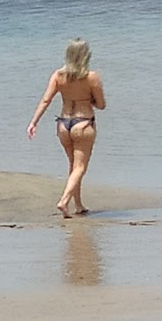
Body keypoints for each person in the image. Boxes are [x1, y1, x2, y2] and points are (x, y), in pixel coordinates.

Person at [27, 38, 106, 218]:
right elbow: (101, 105)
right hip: (83, 123)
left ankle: (78, 205)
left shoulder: (58, 75)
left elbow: (46, 100)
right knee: (80, 167)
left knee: (73, 165)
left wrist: (34, 122)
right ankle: (64, 201)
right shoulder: (91, 76)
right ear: (86, 55)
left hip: (63, 123)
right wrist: (90, 100)